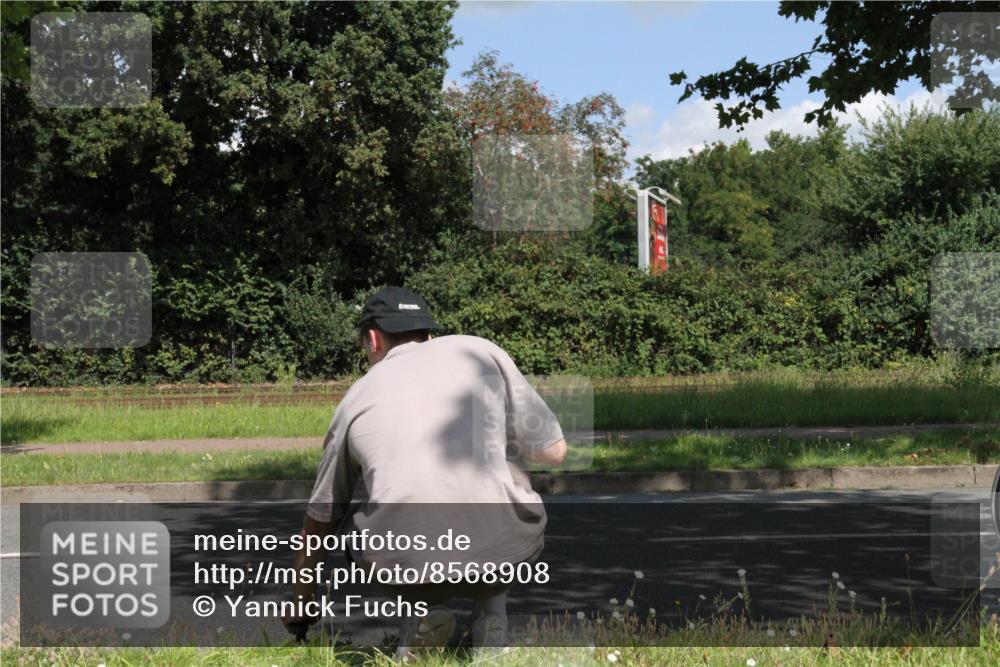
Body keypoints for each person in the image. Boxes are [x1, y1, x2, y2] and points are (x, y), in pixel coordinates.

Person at [282, 286, 567, 658]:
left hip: (406, 569)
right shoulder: (480, 350)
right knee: (504, 465)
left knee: (358, 512)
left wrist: (302, 602)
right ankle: (492, 620)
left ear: (373, 339)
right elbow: (554, 451)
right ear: (429, 334)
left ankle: (421, 615)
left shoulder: (355, 399)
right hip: (506, 556)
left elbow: (319, 521)